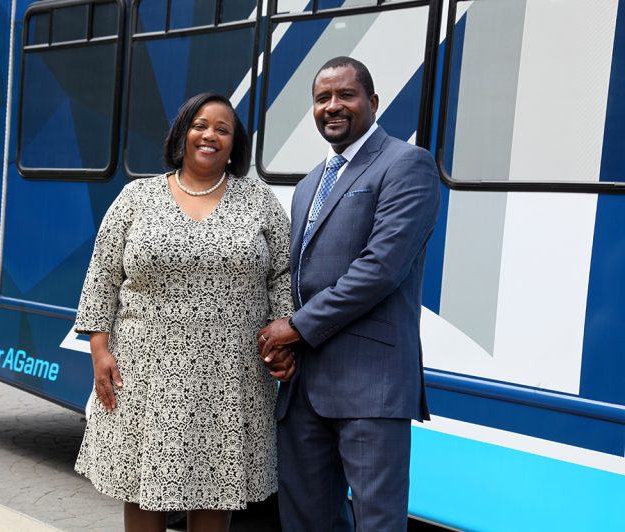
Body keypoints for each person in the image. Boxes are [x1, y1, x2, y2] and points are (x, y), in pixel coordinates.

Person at [73, 92, 294, 532]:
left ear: (234, 144)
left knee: (215, 488)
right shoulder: (137, 196)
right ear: (183, 133)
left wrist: (284, 337)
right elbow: (102, 276)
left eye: (222, 129)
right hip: (146, 373)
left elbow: (283, 275)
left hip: (229, 376)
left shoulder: (259, 201)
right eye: (200, 125)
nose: (210, 135)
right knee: (142, 487)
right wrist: (100, 351)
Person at [257, 57, 441, 531]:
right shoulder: (306, 186)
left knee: (376, 523)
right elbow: (295, 275)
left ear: (373, 102)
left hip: (370, 388)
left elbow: (380, 268)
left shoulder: (406, 165)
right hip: (303, 388)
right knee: (306, 521)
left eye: (346, 95)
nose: (332, 107)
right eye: (322, 98)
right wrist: (282, 341)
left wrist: (295, 327)